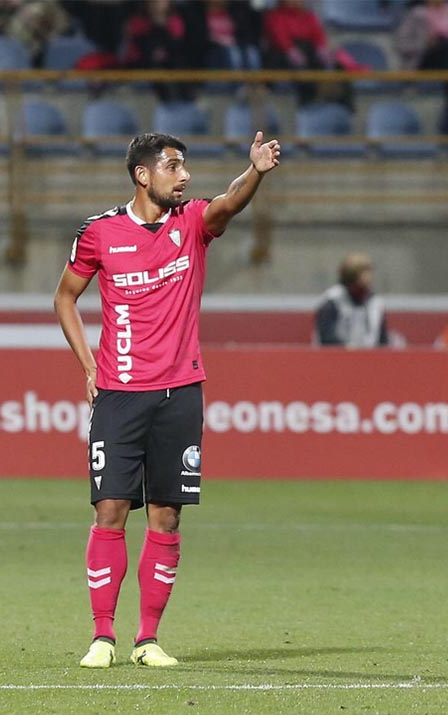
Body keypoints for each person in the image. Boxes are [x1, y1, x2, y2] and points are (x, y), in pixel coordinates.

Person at [54, 129, 281, 668]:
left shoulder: (193, 223)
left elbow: (228, 203)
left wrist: (255, 173)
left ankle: (147, 639)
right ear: (143, 174)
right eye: (174, 166)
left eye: (185, 167)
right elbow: (65, 297)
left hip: (180, 394)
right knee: (110, 509)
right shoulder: (100, 233)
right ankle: (102, 637)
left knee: (166, 517)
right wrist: (88, 366)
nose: (184, 176)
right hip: (119, 394)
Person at [314, 252, 389, 348]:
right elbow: (326, 337)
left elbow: (382, 339)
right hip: (337, 358)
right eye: (364, 272)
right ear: (352, 275)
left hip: (369, 358)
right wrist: (348, 348)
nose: (369, 277)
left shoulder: (375, 303)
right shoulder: (332, 301)